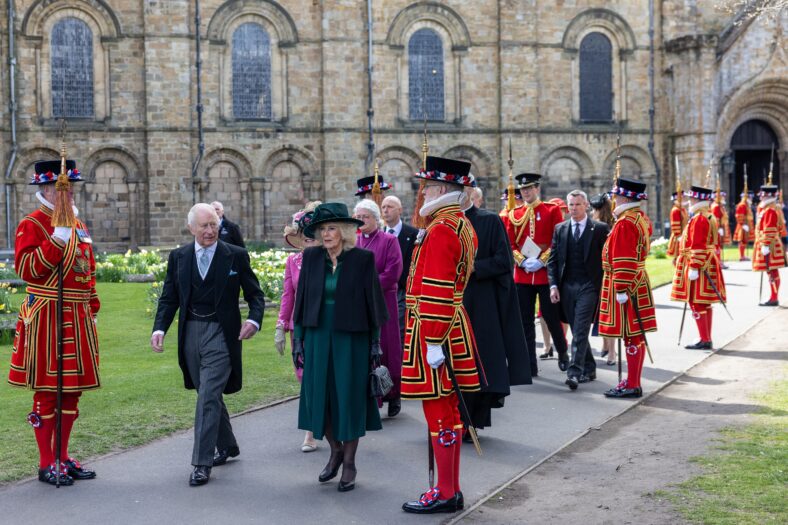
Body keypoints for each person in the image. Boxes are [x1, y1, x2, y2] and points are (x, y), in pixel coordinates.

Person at [151, 203, 264, 486]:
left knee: (207, 397)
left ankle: (201, 462)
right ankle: (228, 445)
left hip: (222, 334)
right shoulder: (179, 257)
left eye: (214, 224)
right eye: (204, 226)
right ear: (191, 228)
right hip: (190, 332)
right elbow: (169, 297)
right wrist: (160, 328)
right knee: (206, 392)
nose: (210, 231)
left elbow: (255, 294)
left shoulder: (235, 255)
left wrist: (254, 320)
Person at [8, 159, 99, 486]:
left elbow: (87, 266)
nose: (71, 192)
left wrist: (92, 301)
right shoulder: (31, 224)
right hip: (47, 314)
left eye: (71, 187)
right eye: (65, 187)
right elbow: (28, 269)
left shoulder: (77, 222)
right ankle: (46, 463)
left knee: (72, 392)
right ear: (47, 190)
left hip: (76, 314)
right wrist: (55, 241)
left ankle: (63, 456)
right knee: (48, 391)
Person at [401, 156, 480, 515]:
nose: (422, 194)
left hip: (436, 328)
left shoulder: (442, 229)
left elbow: (436, 289)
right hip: (449, 324)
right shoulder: (456, 223)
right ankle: (450, 487)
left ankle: (445, 491)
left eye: (427, 187)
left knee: (440, 412)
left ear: (442, 191)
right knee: (447, 410)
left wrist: (432, 339)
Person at [293, 202, 388, 492]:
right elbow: (302, 301)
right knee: (321, 397)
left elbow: (373, 304)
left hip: (352, 338)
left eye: (332, 227)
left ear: (345, 231)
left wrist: (374, 343)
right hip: (318, 335)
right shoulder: (311, 258)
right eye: (322, 229)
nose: (326, 234)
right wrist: (298, 338)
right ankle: (334, 450)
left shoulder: (362, 259)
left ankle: (349, 462)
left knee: (349, 397)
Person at [461, 185, 531, 433]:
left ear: (470, 192)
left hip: (481, 304)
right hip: (452, 303)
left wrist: (474, 268)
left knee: (481, 363)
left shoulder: (489, 221)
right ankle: (454, 421)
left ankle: (473, 422)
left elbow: (504, 260)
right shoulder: (440, 223)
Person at [504, 173, 568, 376]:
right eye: (523, 189)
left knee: (551, 316)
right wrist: (522, 261)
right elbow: (510, 243)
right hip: (523, 275)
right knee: (525, 322)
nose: (526, 192)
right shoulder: (514, 214)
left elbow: (556, 240)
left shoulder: (551, 210)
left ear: (537, 189)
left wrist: (542, 260)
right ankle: (530, 364)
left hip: (544, 274)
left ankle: (563, 352)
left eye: (529, 188)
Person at [599, 178, 657, 398]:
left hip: (626, 283)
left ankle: (632, 384)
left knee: (631, 334)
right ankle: (633, 380)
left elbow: (623, 257)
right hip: (638, 280)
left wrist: (621, 288)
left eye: (616, 196)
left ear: (624, 197)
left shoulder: (625, 223)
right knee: (636, 334)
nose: (613, 199)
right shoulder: (639, 218)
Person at [547, 190, 610, 390]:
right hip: (567, 286)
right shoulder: (560, 229)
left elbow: (606, 260)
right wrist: (553, 285)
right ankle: (590, 367)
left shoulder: (599, 229)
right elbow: (553, 260)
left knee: (581, 328)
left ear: (586, 206)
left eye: (578, 205)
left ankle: (574, 372)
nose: (573, 209)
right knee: (576, 329)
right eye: (571, 205)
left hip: (589, 285)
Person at [275, 202, 321, 451]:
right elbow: (287, 296)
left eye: (312, 238)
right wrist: (280, 326)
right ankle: (310, 431)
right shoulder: (293, 262)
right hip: (299, 328)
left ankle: (323, 428)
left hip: (324, 326)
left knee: (323, 377)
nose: (307, 242)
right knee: (305, 378)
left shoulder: (331, 262)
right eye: (304, 238)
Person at [354, 199, 404, 417]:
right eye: (358, 217)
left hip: (384, 302)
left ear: (376, 218)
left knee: (387, 348)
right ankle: (369, 398)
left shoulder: (389, 240)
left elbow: (393, 271)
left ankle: (393, 394)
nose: (361, 221)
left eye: (365, 216)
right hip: (360, 304)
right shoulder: (353, 242)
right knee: (364, 349)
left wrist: (368, 287)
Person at [670, 185, 727, 350]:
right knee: (704, 302)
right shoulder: (706, 215)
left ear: (697, 200)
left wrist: (694, 266)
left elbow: (698, 245)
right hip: (706, 262)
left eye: (691, 198)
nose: (689, 201)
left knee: (696, 302)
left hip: (699, 264)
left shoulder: (700, 218)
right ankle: (706, 337)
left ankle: (704, 338)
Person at [381, 195, 419, 349]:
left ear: (400, 210)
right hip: (382, 292)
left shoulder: (413, 234)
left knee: (400, 334)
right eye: (383, 207)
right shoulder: (378, 234)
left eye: (389, 207)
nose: (385, 210)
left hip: (403, 292)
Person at [589, 193, 617, 366]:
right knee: (602, 313)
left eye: (594, 209)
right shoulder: (596, 225)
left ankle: (611, 352)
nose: (592, 212)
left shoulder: (607, 226)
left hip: (606, 273)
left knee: (608, 313)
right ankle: (606, 345)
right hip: (597, 274)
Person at [752, 183, 785, 306]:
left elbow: (769, 228)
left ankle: (774, 297)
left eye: (762, 195)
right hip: (768, 243)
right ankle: (773, 295)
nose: (760, 197)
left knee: (772, 271)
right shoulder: (768, 208)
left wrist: (765, 244)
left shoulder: (770, 210)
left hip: (769, 244)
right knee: (771, 271)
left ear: (767, 196)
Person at [667, 192, 688, 261]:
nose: (684, 199)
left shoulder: (683, 209)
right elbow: (675, 225)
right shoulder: (675, 210)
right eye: (683, 198)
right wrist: (679, 235)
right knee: (678, 257)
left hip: (684, 235)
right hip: (678, 237)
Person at [734, 191, 755, 261]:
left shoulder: (747, 205)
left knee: (745, 240)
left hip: (747, 224)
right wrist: (743, 224)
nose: (751, 199)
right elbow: (739, 215)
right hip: (743, 225)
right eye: (750, 197)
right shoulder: (742, 205)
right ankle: (741, 256)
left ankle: (743, 255)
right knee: (742, 240)